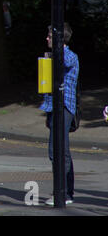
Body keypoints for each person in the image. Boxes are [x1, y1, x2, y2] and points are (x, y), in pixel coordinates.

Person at [40, 23, 79, 206]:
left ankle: (62, 193)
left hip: (64, 107)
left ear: (57, 39)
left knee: (58, 152)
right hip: (54, 107)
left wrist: (57, 47)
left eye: (49, 36)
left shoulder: (69, 55)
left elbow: (66, 61)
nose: (46, 39)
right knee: (59, 152)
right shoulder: (54, 56)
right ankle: (66, 192)